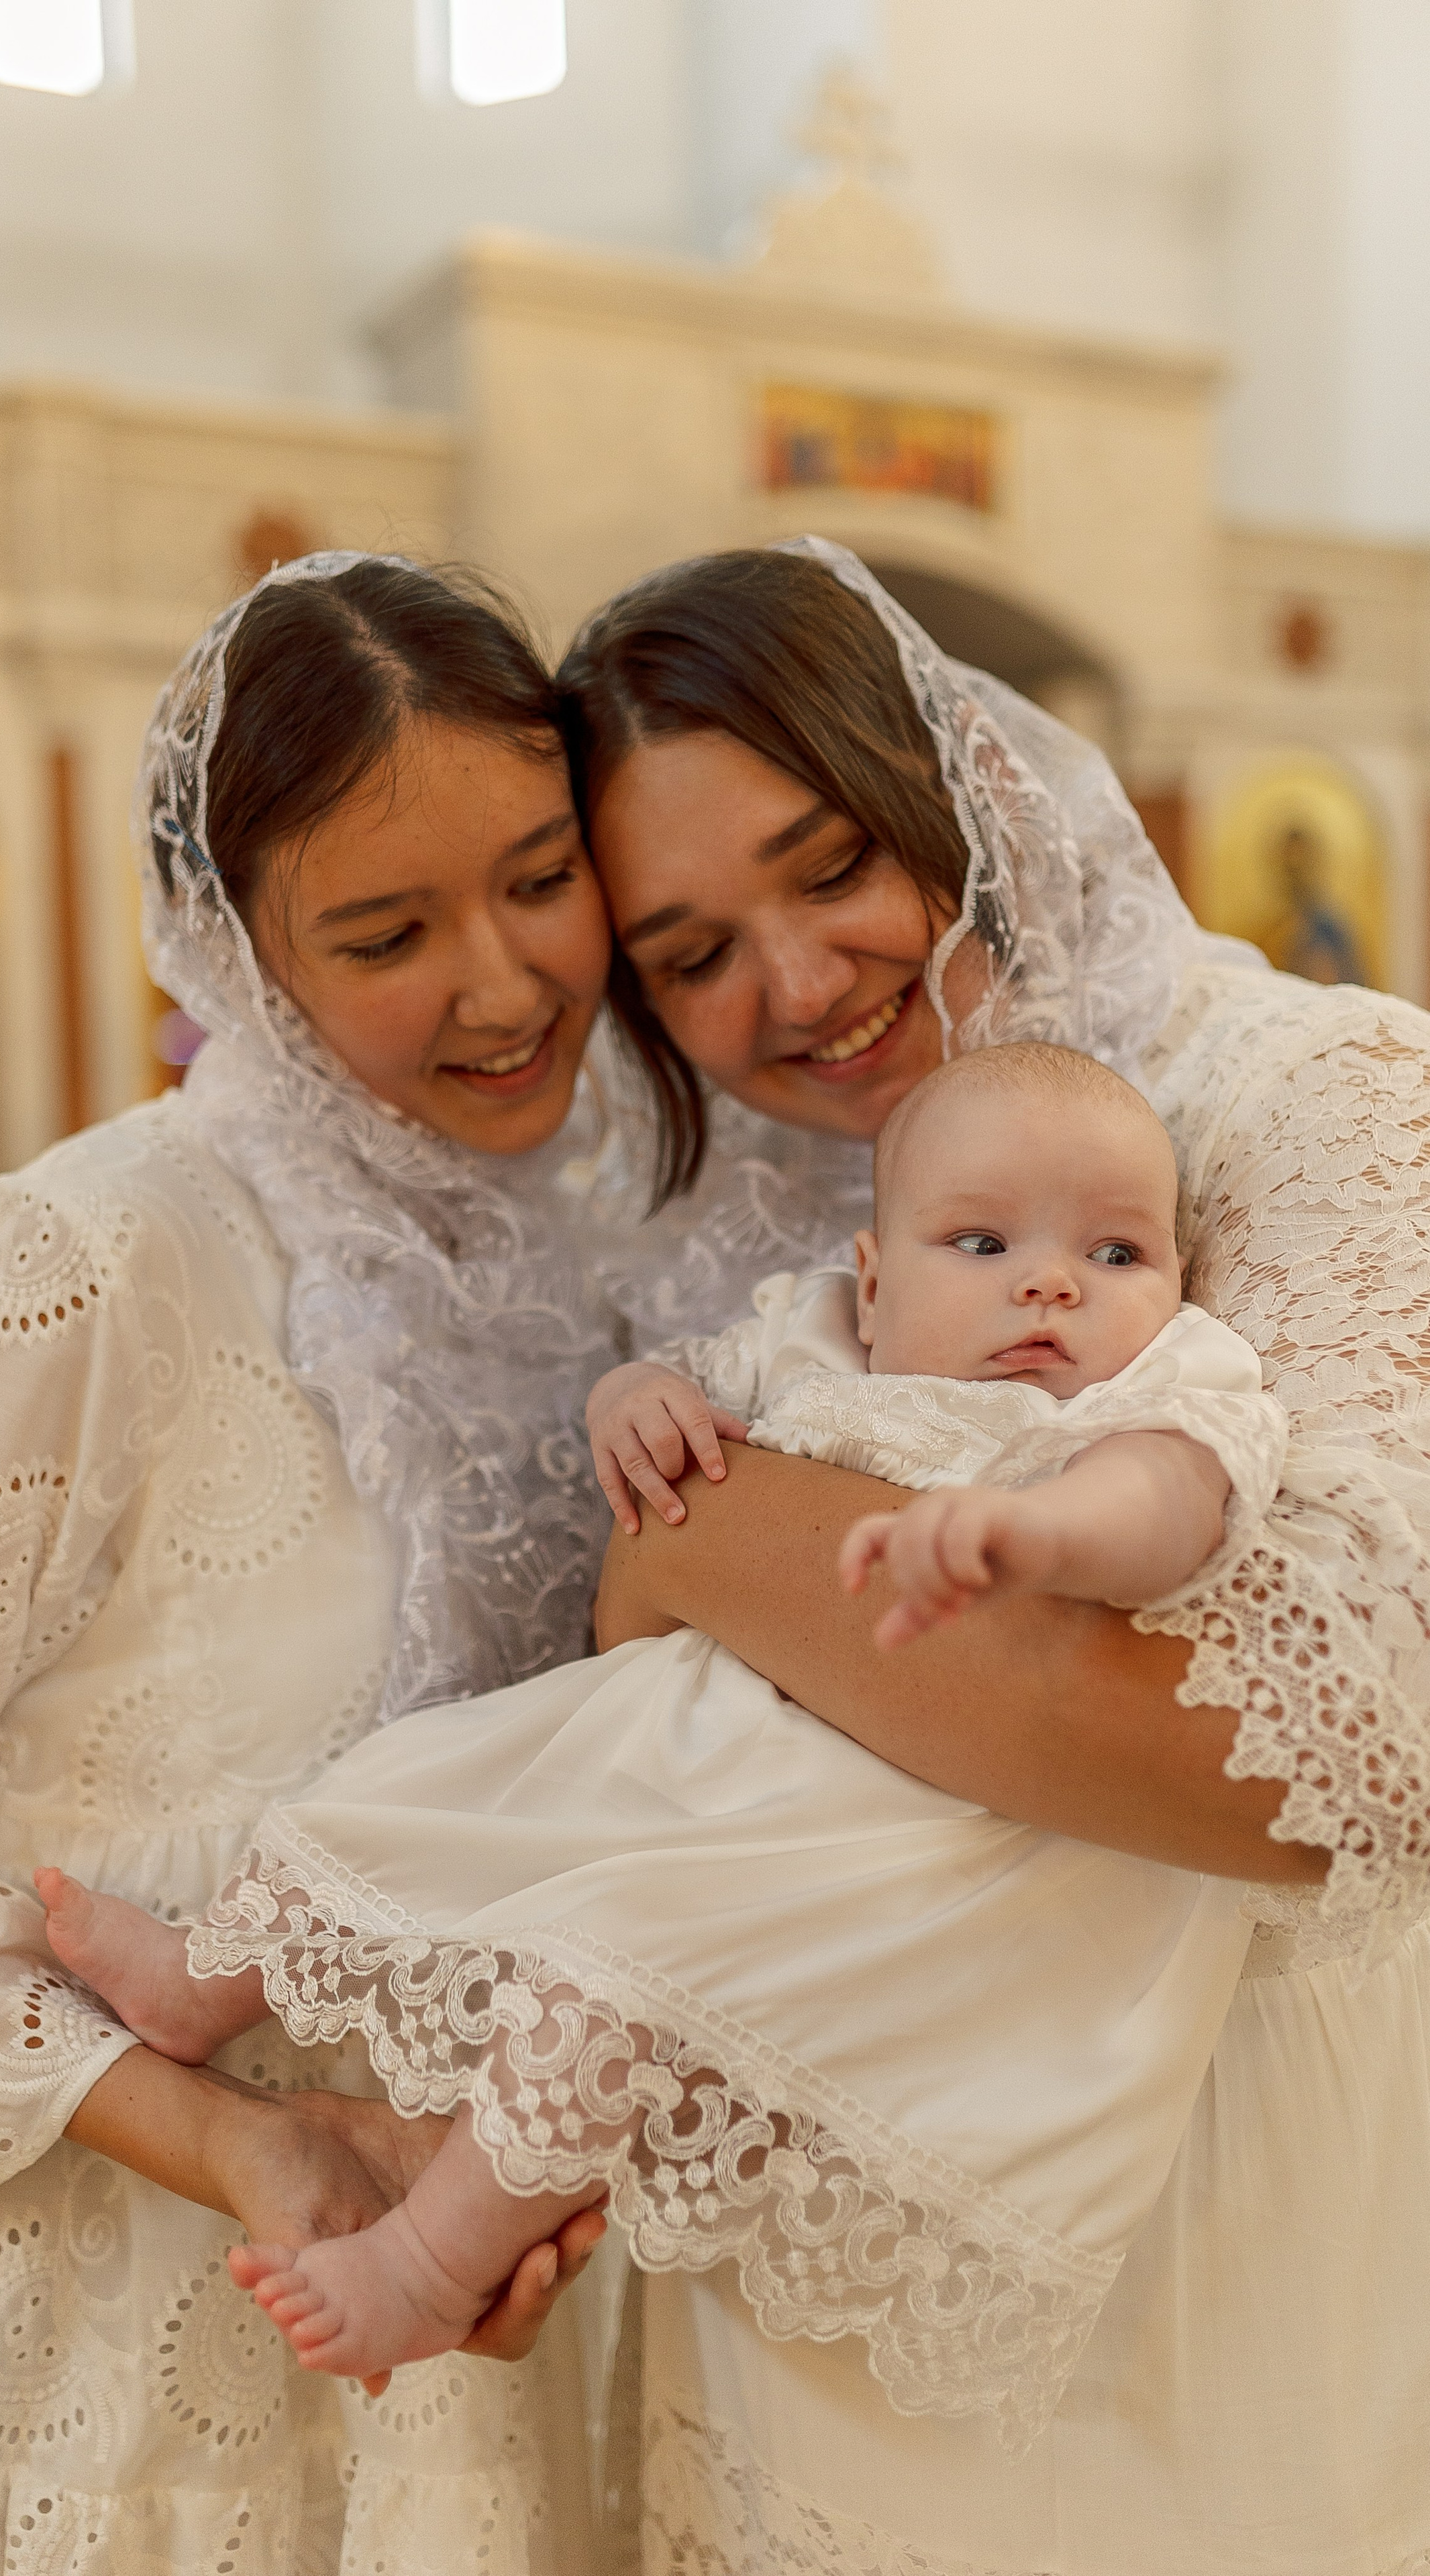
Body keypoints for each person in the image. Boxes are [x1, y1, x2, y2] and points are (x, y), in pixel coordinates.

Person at [0, 553, 852, 2574]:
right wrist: (243, 2136)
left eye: (537, 878)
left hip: (453, 2362)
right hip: (84, 2377)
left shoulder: (628, 1264)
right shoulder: (95, 1259)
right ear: (242, 952)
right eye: (385, 930)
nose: (501, 986)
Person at [34, 1036, 1285, 2453]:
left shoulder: (1152, 1394)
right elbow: (665, 1390)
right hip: (696, 1733)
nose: (1049, 1283)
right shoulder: (814, 1335)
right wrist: (634, 1409)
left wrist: (1041, 1531)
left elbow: (1171, 1506)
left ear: (1176, 1285)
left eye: (1116, 1252)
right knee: (421, 1783)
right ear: (871, 1283)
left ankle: (430, 2262)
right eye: (981, 1241)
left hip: (896, 1834)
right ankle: (210, 1979)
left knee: (613, 1987)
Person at [571, 541, 1430, 2575]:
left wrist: (723, 1541)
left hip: (1206, 2194)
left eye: (828, 860)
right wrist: (699, 1558)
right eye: (689, 954)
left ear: (954, 794)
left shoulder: (1321, 1094)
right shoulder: (742, 1230)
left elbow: (1330, 1759)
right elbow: (620, 1643)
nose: (788, 987)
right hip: (813, 2189)